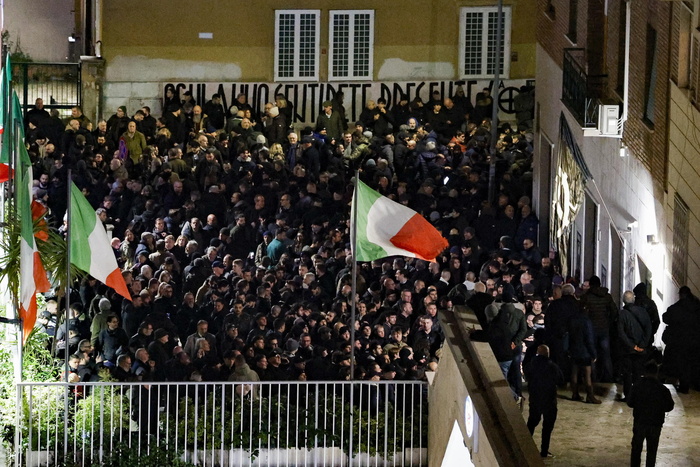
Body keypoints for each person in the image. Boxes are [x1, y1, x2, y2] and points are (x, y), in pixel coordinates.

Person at [627, 361, 674, 467]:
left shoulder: (637, 386)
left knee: (636, 449)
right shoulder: (663, 389)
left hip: (640, 422)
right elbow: (669, 406)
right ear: (656, 373)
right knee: (652, 451)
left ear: (644, 372)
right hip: (655, 423)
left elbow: (630, 403)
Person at [525, 345, 563, 458]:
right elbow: (561, 380)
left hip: (535, 398)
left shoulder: (531, 365)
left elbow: (527, 375)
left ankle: (525, 446)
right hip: (549, 400)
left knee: (532, 422)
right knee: (547, 427)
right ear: (548, 354)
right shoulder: (552, 366)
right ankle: (544, 451)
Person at [662, 286, 700, 393]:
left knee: (681, 364)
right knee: (692, 364)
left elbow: (666, 317)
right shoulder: (696, 306)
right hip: (694, 341)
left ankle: (682, 385)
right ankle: (692, 384)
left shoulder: (676, 308)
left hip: (679, 341)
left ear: (681, 295)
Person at [617, 291, 652, 402]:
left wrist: (632, 346)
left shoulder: (622, 314)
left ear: (623, 301)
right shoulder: (643, 311)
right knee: (638, 373)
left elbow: (621, 333)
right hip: (641, 348)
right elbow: (648, 328)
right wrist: (643, 344)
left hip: (627, 349)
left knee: (627, 373)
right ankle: (638, 396)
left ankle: (628, 396)